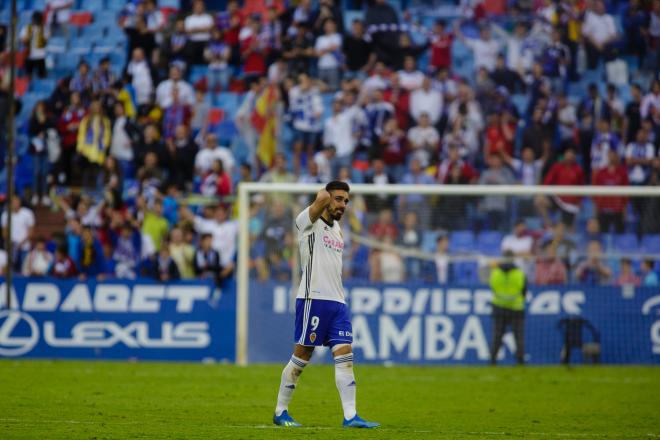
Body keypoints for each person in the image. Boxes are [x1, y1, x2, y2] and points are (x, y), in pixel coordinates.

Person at [272, 181, 379, 429]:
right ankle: (280, 411)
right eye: (339, 199)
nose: (343, 205)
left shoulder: (338, 229)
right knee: (302, 357)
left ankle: (351, 416)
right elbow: (320, 198)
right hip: (313, 298)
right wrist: (326, 193)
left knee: (345, 357)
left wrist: (334, 198)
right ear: (326, 198)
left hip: (337, 302)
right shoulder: (307, 222)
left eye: (346, 201)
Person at [489, 250, 526, 365]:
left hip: (499, 308)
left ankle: (493, 360)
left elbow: (492, 287)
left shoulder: (496, 273)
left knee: (497, 336)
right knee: (518, 336)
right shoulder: (519, 273)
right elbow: (524, 290)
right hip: (516, 308)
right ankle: (520, 360)